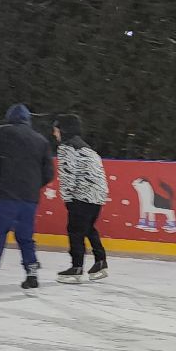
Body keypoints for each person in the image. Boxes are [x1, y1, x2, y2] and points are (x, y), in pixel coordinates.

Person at [0, 104, 55, 296]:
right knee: (25, 236)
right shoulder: (41, 141)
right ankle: (32, 274)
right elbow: (49, 173)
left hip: (7, 195)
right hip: (30, 199)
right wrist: (33, 186)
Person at [53, 113, 110, 283]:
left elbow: (68, 174)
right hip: (97, 196)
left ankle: (76, 267)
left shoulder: (67, 147)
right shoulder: (87, 148)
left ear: (64, 130)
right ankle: (100, 261)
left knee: (75, 230)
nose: (54, 134)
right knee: (88, 228)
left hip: (81, 196)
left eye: (56, 130)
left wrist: (67, 197)